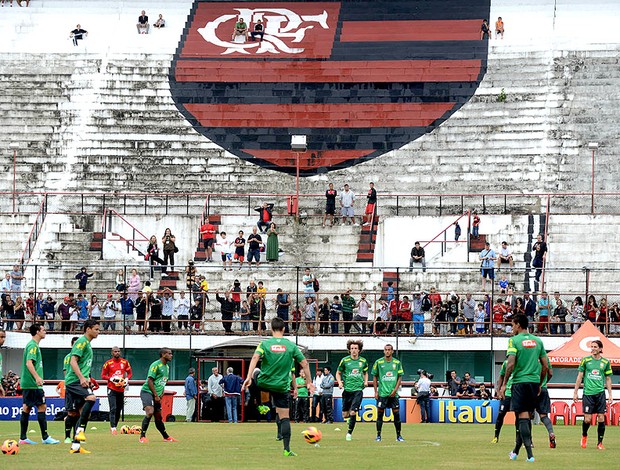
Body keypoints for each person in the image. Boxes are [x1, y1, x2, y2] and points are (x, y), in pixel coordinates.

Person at [242, 317, 314, 457]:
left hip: (264, 383)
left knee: (257, 373)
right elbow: (305, 364)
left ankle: (262, 404)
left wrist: (248, 377)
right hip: (281, 386)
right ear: (284, 329)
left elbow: (255, 358)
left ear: (271, 329)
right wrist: (309, 382)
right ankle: (287, 449)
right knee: (285, 418)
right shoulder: (291, 346)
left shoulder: (264, 344)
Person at [499, 314, 548, 462]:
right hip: (533, 383)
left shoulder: (514, 341)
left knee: (522, 418)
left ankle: (530, 456)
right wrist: (539, 384)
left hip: (519, 382)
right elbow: (545, 366)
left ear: (518, 325)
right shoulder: (538, 341)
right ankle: (515, 452)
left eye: (512, 325)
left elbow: (511, 363)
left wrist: (505, 383)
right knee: (525, 417)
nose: (511, 328)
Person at [18, 323, 60, 445]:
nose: (45, 331)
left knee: (27, 407)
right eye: (43, 329)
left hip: (29, 383)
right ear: (37, 332)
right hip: (33, 384)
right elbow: (29, 363)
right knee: (42, 407)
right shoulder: (32, 346)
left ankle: (23, 438)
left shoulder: (33, 345)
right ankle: (45, 437)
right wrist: (37, 377)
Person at [65, 319, 101, 454]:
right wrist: (81, 378)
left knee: (83, 412)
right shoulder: (81, 342)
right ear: (88, 329)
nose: (98, 332)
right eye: (96, 329)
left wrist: (86, 378)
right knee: (91, 398)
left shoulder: (87, 344)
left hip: (80, 380)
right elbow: (73, 361)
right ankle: (79, 432)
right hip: (74, 381)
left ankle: (76, 446)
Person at [573, 339, 613, 450]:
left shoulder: (605, 362)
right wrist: (575, 392)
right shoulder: (585, 360)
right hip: (588, 393)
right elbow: (579, 376)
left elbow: (608, 378)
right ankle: (584, 435)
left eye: (595, 347)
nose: (593, 349)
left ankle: (600, 443)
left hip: (600, 393)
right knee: (587, 419)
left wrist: (610, 394)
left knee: (601, 417)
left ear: (600, 349)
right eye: (592, 346)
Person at [139, 348, 177, 443]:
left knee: (159, 417)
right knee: (150, 411)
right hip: (147, 392)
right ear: (163, 354)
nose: (171, 355)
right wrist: (155, 395)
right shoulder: (156, 365)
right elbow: (150, 380)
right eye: (169, 353)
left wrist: (161, 393)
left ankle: (166, 437)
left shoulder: (167, 367)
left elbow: (163, 381)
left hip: (157, 395)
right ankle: (142, 436)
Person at [337, 339, 368, 441]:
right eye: (352, 348)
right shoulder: (345, 361)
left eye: (356, 348)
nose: (354, 350)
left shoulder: (363, 361)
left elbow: (365, 372)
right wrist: (340, 382)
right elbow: (338, 373)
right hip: (347, 390)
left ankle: (349, 433)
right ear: (349, 350)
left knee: (353, 412)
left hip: (358, 390)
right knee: (345, 415)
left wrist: (365, 381)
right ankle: (349, 420)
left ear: (359, 350)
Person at [372, 344, 405, 441]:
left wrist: (395, 390)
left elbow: (400, 377)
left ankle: (399, 436)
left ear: (392, 351)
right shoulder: (378, 362)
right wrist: (375, 391)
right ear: (383, 351)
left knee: (396, 414)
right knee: (380, 414)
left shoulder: (397, 363)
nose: (387, 351)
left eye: (389, 350)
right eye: (386, 350)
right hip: (382, 393)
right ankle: (378, 436)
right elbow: (374, 376)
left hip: (393, 394)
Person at [101, 346, 132, 435]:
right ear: (112, 353)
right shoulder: (108, 363)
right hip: (111, 388)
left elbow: (130, 373)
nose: (117, 353)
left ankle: (115, 426)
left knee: (119, 409)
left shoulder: (125, 362)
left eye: (118, 351)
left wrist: (126, 379)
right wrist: (111, 379)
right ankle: (113, 427)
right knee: (113, 408)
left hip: (121, 389)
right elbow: (103, 375)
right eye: (115, 351)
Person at [492, 357, 512, 443]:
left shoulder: (522, 363)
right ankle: (496, 436)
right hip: (506, 394)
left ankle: (520, 439)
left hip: (518, 394)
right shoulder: (506, 363)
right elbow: (501, 377)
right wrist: (498, 390)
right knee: (501, 414)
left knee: (520, 417)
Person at [536, 361, 556, 448]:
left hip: (531, 388)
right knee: (543, 416)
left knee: (526, 416)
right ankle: (551, 432)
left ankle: (529, 441)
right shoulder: (545, 358)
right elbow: (550, 373)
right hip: (543, 389)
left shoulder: (529, 355)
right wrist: (544, 382)